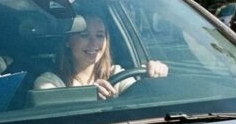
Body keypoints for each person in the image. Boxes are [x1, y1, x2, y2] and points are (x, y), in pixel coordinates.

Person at [34, 13, 168, 99]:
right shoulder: (49, 83)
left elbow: (141, 99)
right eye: (84, 35)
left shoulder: (116, 74)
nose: (94, 43)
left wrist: (154, 77)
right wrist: (89, 97)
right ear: (68, 41)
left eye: (100, 36)